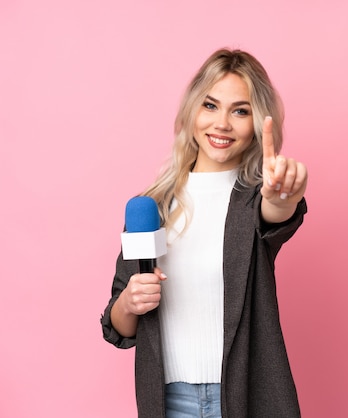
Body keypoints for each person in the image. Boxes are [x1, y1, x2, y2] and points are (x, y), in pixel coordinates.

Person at [101, 48, 307, 418]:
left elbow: (277, 214)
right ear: (192, 110)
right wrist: (129, 302)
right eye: (210, 106)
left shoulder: (254, 200)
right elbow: (118, 326)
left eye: (240, 111)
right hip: (170, 401)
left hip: (246, 397)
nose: (222, 124)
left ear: (259, 123)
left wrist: (284, 194)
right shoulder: (152, 208)